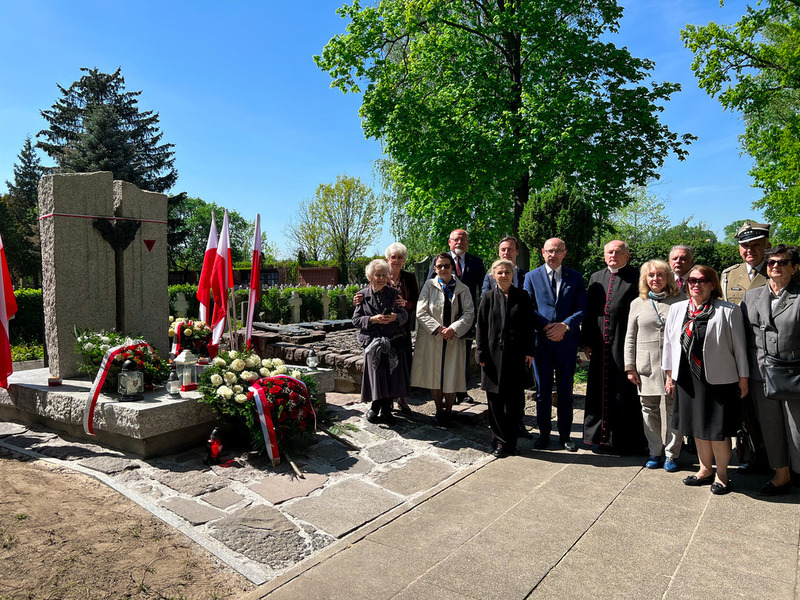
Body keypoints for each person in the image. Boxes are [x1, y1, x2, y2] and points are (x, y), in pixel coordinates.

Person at [663, 265, 749, 495]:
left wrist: (743, 379)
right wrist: (669, 374)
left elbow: (740, 349)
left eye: (702, 280)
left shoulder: (728, 311)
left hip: (719, 380)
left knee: (717, 431)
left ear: (712, 284)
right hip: (687, 379)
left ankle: (722, 476)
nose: (696, 285)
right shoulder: (679, 309)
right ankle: (704, 470)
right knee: (697, 428)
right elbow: (670, 344)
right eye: (692, 280)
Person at [741, 245, 800, 496]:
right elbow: (743, 337)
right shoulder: (751, 296)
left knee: (796, 428)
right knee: (771, 427)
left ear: (795, 268)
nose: (775, 266)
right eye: (771, 263)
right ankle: (781, 475)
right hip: (760, 375)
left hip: (793, 375)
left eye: (782, 262)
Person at [581, 240, 645, 453]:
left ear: (627, 256)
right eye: (609, 252)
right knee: (599, 391)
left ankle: (625, 441)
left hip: (624, 341)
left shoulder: (637, 277)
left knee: (624, 391)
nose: (613, 255)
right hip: (601, 344)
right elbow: (590, 312)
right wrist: (587, 341)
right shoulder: (596, 278)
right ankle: (600, 438)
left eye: (618, 252)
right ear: (604, 255)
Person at [523, 237, 587, 451]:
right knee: (542, 392)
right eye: (550, 251)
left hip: (566, 343)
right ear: (542, 252)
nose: (553, 255)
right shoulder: (531, 277)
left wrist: (565, 326)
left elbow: (582, 308)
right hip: (542, 343)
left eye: (558, 251)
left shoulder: (575, 278)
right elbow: (527, 307)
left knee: (566, 391)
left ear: (564, 253)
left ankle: (565, 436)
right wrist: (548, 327)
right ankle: (543, 435)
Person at [721, 221, 772, 474]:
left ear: (767, 245)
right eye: (744, 246)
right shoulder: (730, 274)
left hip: (769, 354)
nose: (749, 250)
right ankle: (752, 456)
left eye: (755, 245)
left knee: (771, 410)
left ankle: (779, 460)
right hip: (737, 354)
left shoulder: (778, 269)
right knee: (745, 410)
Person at [624, 260, 683, 471]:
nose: (655, 279)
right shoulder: (637, 303)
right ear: (645, 279)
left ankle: (672, 453)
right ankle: (655, 450)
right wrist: (629, 366)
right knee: (648, 409)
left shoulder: (681, 300)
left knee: (673, 409)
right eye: (651, 276)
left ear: (668, 277)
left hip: (673, 365)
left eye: (660, 275)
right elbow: (630, 336)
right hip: (646, 365)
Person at [475, 259, 535, 457]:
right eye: (500, 272)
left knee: (515, 402)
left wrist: (529, 351)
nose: (504, 275)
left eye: (507, 272)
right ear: (494, 275)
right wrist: (480, 352)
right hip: (492, 357)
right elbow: (481, 327)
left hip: (516, 357)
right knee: (496, 401)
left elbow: (528, 326)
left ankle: (512, 442)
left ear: (513, 275)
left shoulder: (523, 296)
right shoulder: (488, 297)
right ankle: (500, 443)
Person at [412, 253, 475, 425]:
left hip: (453, 339)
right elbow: (421, 311)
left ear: (452, 267)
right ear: (435, 269)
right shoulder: (428, 286)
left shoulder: (463, 289)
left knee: (451, 374)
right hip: (435, 338)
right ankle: (439, 410)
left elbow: (469, 313)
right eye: (439, 266)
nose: (443, 269)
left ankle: (449, 411)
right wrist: (439, 329)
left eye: (446, 266)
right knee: (435, 374)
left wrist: (453, 329)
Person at [427, 229, 486, 403]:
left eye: (463, 239)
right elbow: (430, 284)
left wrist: (478, 312)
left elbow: (483, 289)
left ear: (467, 243)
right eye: (456, 239)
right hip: (442, 317)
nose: (459, 242)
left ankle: (462, 391)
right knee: (444, 356)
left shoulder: (476, 262)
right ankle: (446, 392)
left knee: (463, 355)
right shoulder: (439, 261)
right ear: (449, 242)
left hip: (465, 317)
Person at [352, 259, 410, 425]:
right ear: (371, 276)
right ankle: (375, 405)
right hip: (372, 343)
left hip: (392, 342)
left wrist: (395, 317)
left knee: (391, 375)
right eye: (378, 275)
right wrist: (372, 320)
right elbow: (355, 320)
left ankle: (386, 409)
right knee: (376, 375)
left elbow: (404, 316)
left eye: (384, 275)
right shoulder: (362, 295)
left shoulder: (394, 294)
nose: (381, 278)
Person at [386, 242, 419, 414]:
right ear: (388, 259)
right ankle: (388, 399)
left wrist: (406, 304)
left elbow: (417, 301)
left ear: (404, 260)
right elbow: (368, 292)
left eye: (400, 257)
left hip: (403, 328)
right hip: (384, 329)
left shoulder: (409, 278)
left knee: (404, 363)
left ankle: (403, 399)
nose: (397, 260)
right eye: (393, 257)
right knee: (387, 363)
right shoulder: (381, 275)